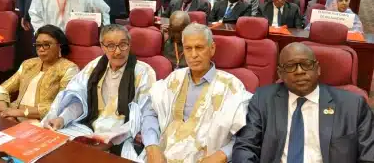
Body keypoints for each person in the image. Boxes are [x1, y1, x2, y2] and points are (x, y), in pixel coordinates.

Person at [232, 42, 374, 163]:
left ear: (317, 69)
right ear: (280, 74)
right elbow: (245, 146)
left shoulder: (353, 106)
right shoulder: (263, 99)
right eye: (290, 66)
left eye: (306, 64)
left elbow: (369, 156)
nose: (299, 71)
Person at [142, 23, 253, 162]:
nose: (193, 55)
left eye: (199, 48)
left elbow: (247, 133)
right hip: (163, 156)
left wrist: (222, 155)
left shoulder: (232, 86)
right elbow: (150, 110)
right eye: (188, 48)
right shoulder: (174, 78)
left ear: (212, 48)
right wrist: (152, 146)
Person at [42, 25, 156, 159]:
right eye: (111, 46)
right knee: (52, 149)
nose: (118, 51)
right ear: (102, 47)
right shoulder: (94, 67)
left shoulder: (143, 72)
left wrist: (110, 140)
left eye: (123, 45)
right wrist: (62, 119)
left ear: (129, 45)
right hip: (88, 129)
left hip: (122, 136)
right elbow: (80, 101)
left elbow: (143, 115)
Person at [0, 25, 79, 122]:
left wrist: (21, 112)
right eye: (38, 45)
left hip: (42, 121)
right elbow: (2, 89)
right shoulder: (28, 64)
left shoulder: (69, 69)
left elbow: (63, 104)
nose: (41, 49)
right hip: (12, 115)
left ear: (59, 46)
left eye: (46, 44)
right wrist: (6, 111)